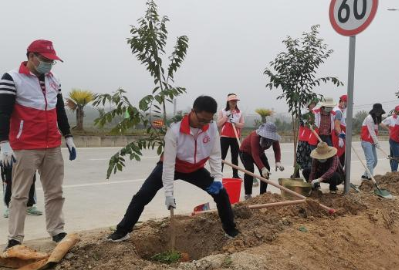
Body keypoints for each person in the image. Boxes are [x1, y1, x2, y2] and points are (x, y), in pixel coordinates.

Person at [107, 96, 239, 242]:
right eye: (201, 119)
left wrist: (218, 179)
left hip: (195, 169)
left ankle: (230, 229)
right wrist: (169, 194)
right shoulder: (175, 131)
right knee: (142, 195)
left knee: (221, 194)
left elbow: (215, 155)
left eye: (207, 120)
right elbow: (169, 165)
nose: (203, 124)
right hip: (173, 166)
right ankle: (123, 230)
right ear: (192, 112)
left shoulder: (212, 127)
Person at [0, 40, 76, 250]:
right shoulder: (12, 78)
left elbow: (59, 110)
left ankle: (57, 231)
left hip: (51, 144)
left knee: (55, 191)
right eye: (45, 60)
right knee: (20, 194)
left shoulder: (54, 79)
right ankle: (15, 238)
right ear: (31, 56)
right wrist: (4, 143)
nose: (49, 64)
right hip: (24, 146)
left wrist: (68, 136)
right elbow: (3, 113)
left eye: (52, 61)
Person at [239, 122, 283, 200]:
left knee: (267, 170)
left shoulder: (273, 138)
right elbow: (254, 154)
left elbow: (277, 149)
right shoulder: (255, 136)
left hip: (260, 153)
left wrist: (278, 162)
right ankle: (248, 194)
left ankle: (263, 194)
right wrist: (262, 168)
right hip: (245, 152)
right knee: (249, 170)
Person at [217, 93, 244, 178]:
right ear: (228, 102)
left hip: (235, 137)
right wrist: (226, 117)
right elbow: (218, 124)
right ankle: (219, 174)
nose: (234, 102)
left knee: (235, 156)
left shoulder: (239, 112)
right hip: (225, 137)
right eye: (232, 101)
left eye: (235, 101)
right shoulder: (222, 111)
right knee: (222, 156)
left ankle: (235, 174)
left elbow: (242, 125)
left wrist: (235, 123)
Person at [360, 103, 386, 180]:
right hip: (366, 141)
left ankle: (365, 176)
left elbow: (375, 132)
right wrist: (377, 142)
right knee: (370, 160)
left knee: (375, 161)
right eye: (377, 112)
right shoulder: (369, 118)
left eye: (379, 112)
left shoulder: (376, 119)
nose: (378, 113)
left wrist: (375, 142)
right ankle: (370, 178)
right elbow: (371, 132)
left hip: (372, 142)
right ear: (374, 111)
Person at [295, 101, 316, 178]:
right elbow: (302, 123)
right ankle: (296, 173)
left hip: (311, 138)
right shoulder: (302, 112)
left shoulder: (313, 113)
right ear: (308, 104)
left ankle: (309, 174)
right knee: (300, 156)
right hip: (303, 138)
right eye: (312, 104)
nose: (314, 105)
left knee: (310, 157)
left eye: (314, 104)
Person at [332, 95, 348, 167]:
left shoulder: (338, 110)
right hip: (337, 138)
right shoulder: (338, 111)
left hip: (338, 136)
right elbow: (337, 126)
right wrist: (340, 137)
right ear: (342, 102)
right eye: (346, 102)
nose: (347, 105)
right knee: (339, 159)